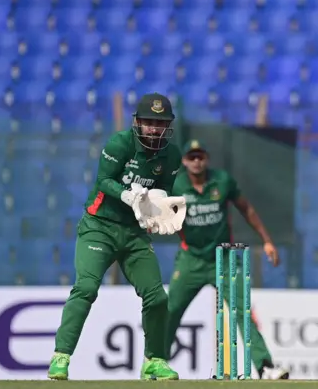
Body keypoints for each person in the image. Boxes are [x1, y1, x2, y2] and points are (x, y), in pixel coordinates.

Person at [48, 93, 184, 381]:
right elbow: (103, 181)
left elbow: (160, 195)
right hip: (100, 225)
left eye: (160, 124)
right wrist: (127, 195)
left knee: (157, 297)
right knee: (86, 288)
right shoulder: (119, 144)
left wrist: (155, 216)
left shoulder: (172, 155)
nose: (154, 129)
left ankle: (153, 361)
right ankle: (61, 357)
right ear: (137, 122)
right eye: (148, 122)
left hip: (134, 233)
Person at [165, 140, 289, 380]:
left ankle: (264, 367)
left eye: (200, 156)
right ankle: (156, 362)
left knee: (242, 310)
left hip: (224, 258)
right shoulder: (176, 185)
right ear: (184, 161)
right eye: (192, 157)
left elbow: (247, 209)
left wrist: (267, 240)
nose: (196, 161)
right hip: (191, 258)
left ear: (207, 159)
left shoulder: (221, 181)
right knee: (170, 311)